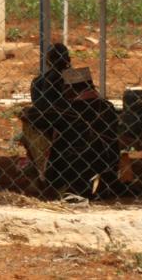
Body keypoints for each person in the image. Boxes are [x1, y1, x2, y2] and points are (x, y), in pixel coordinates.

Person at [44, 67, 120, 197]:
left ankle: (50, 182)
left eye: (65, 87)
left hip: (71, 169)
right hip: (105, 165)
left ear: (72, 88)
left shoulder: (67, 110)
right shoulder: (107, 106)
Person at [19, 43, 72, 181]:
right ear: (68, 59)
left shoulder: (39, 81)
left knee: (27, 118)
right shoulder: (77, 76)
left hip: (51, 123)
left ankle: (39, 165)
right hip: (74, 123)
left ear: (47, 60)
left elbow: (41, 108)